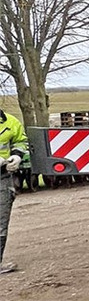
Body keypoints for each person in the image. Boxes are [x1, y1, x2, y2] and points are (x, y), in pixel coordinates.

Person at [0, 108, 28, 274]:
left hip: (3, 177)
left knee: (1, 221)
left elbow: (20, 141)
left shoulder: (10, 122)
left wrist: (17, 156)